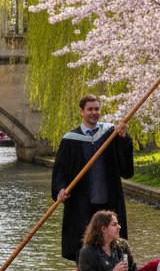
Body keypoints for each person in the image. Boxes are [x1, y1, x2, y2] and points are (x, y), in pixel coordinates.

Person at [52, 95, 135, 261]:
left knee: (112, 242)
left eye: (97, 109)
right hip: (82, 202)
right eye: (90, 109)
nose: (94, 112)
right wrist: (60, 189)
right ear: (82, 111)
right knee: (84, 244)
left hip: (108, 201)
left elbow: (125, 168)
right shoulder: (70, 139)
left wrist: (123, 138)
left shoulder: (110, 133)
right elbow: (60, 170)